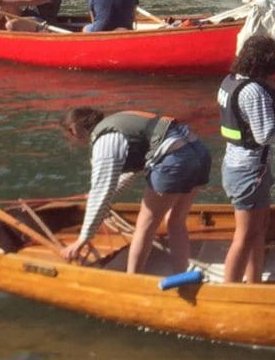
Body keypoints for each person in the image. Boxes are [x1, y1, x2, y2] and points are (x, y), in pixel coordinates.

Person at [57, 106, 211, 275]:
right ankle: (180, 274)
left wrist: (82, 239)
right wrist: (103, 196)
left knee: (144, 227)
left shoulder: (104, 141)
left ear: (74, 130)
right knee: (175, 220)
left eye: (68, 135)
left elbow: (102, 192)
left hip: (175, 159)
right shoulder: (120, 124)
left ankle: (133, 278)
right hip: (199, 152)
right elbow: (129, 173)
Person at [220, 34, 275, 284]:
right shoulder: (254, 92)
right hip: (248, 171)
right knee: (246, 234)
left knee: (258, 231)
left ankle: (254, 282)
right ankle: (230, 290)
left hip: (237, 164)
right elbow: (266, 136)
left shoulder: (231, 81)